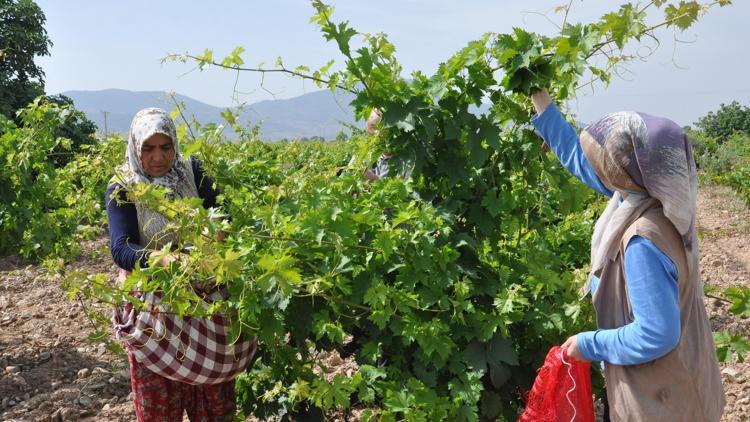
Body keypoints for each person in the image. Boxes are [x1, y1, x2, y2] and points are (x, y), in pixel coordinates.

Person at [529, 89, 725, 421]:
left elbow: (656, 334)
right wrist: (542, 104)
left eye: (606, 162)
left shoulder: (642, 242)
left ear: (623, 173)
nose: (599, 169)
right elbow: (585, 163)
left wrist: (587, 344)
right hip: (685, 376)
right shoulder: (661, 197)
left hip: (659, 399)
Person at [106, 108, 255, 421]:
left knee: (214, 404)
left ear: (175, 145)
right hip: (155, 311)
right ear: (135, 148)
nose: (158, 157)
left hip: (206, 303)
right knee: (160, 405)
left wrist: (215, 234)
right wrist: (163, 258)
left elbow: (221, 218)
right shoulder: (123, 186)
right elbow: (121, 249)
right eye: (148, 148)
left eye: (165, 147)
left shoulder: (194, 171)